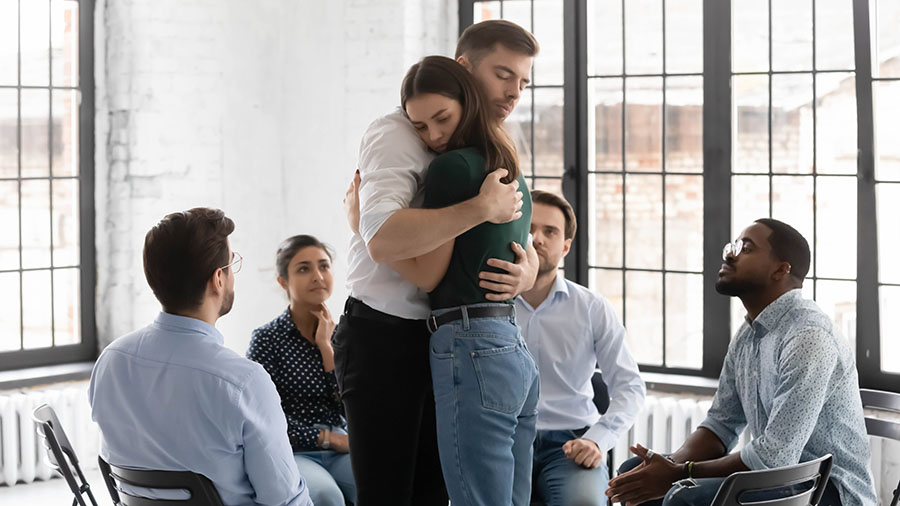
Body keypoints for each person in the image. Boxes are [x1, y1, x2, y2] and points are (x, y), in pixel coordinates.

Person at [334, 19, 540, 506]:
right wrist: (476, 210)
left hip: (441, 336)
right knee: (389, 494)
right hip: (383, 333)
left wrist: (527, 270)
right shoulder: (396, 135)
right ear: (465, 69)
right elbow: (383, 240)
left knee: (436, 491)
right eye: (503, 74)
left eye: (522, 82)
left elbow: (516, 232)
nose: (513, 93)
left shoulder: (485, 146)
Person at [606, 219, 877, 506]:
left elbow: (774, 457)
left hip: (828, 490)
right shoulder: (749, 333)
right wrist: (669, 463)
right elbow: (720, 425)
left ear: (780, 269)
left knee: (683, 498)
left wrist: (678, 474)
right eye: (733, 246)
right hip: (777, 478)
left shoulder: (808, 337)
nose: (730, 254)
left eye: (746, 248)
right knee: (632, 474)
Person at [387, 55, 539, 506]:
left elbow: (428, 272)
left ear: (466, 103)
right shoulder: (506, 163)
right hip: (511, 346)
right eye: (419, 126)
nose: (433, 136)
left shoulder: (451, 170)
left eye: (442, 119)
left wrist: (366, 229)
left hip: (469, 344)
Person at [88, 208, 312, 506]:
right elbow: (285, 500)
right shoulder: (243, 382)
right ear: (218, 279)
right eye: (232, 265)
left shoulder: (111, 361)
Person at [514, 190, 645, 506]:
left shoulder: (592, 308)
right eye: (529, 229)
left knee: (585, 503)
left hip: (571, 442)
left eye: (550, 232)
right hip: (504, 440)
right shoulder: (488, 304)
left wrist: (597, 440)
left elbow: (631, 388)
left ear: (565, 247)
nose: (537, 239)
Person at [248, 235, 356, 506]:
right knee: (325, 496)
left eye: (324, 266)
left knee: (386, 486)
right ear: (283, 281)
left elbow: (350, 406)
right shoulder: (267, 339)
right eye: (304, 269)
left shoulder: (345, 334)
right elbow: (262, 416)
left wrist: (326, 348)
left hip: (345, 447)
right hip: (295, 451)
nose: (318, 276)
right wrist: (328, 439)